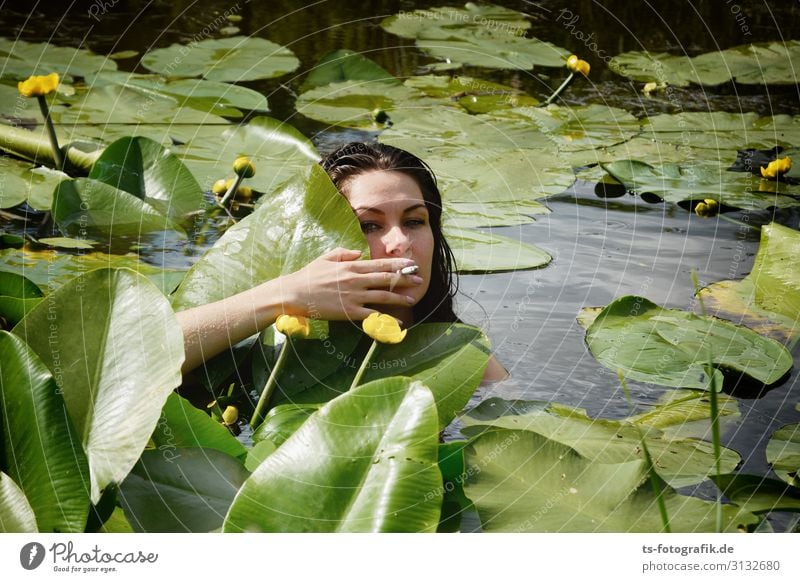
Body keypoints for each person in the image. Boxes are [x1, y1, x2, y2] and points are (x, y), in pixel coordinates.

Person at [177, 142, 507, 382]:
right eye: (369, 225)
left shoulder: (457, 353)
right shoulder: (276, 344)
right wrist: (286, 294)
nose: (400, 243)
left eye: (414, 221)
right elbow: (138, 359)